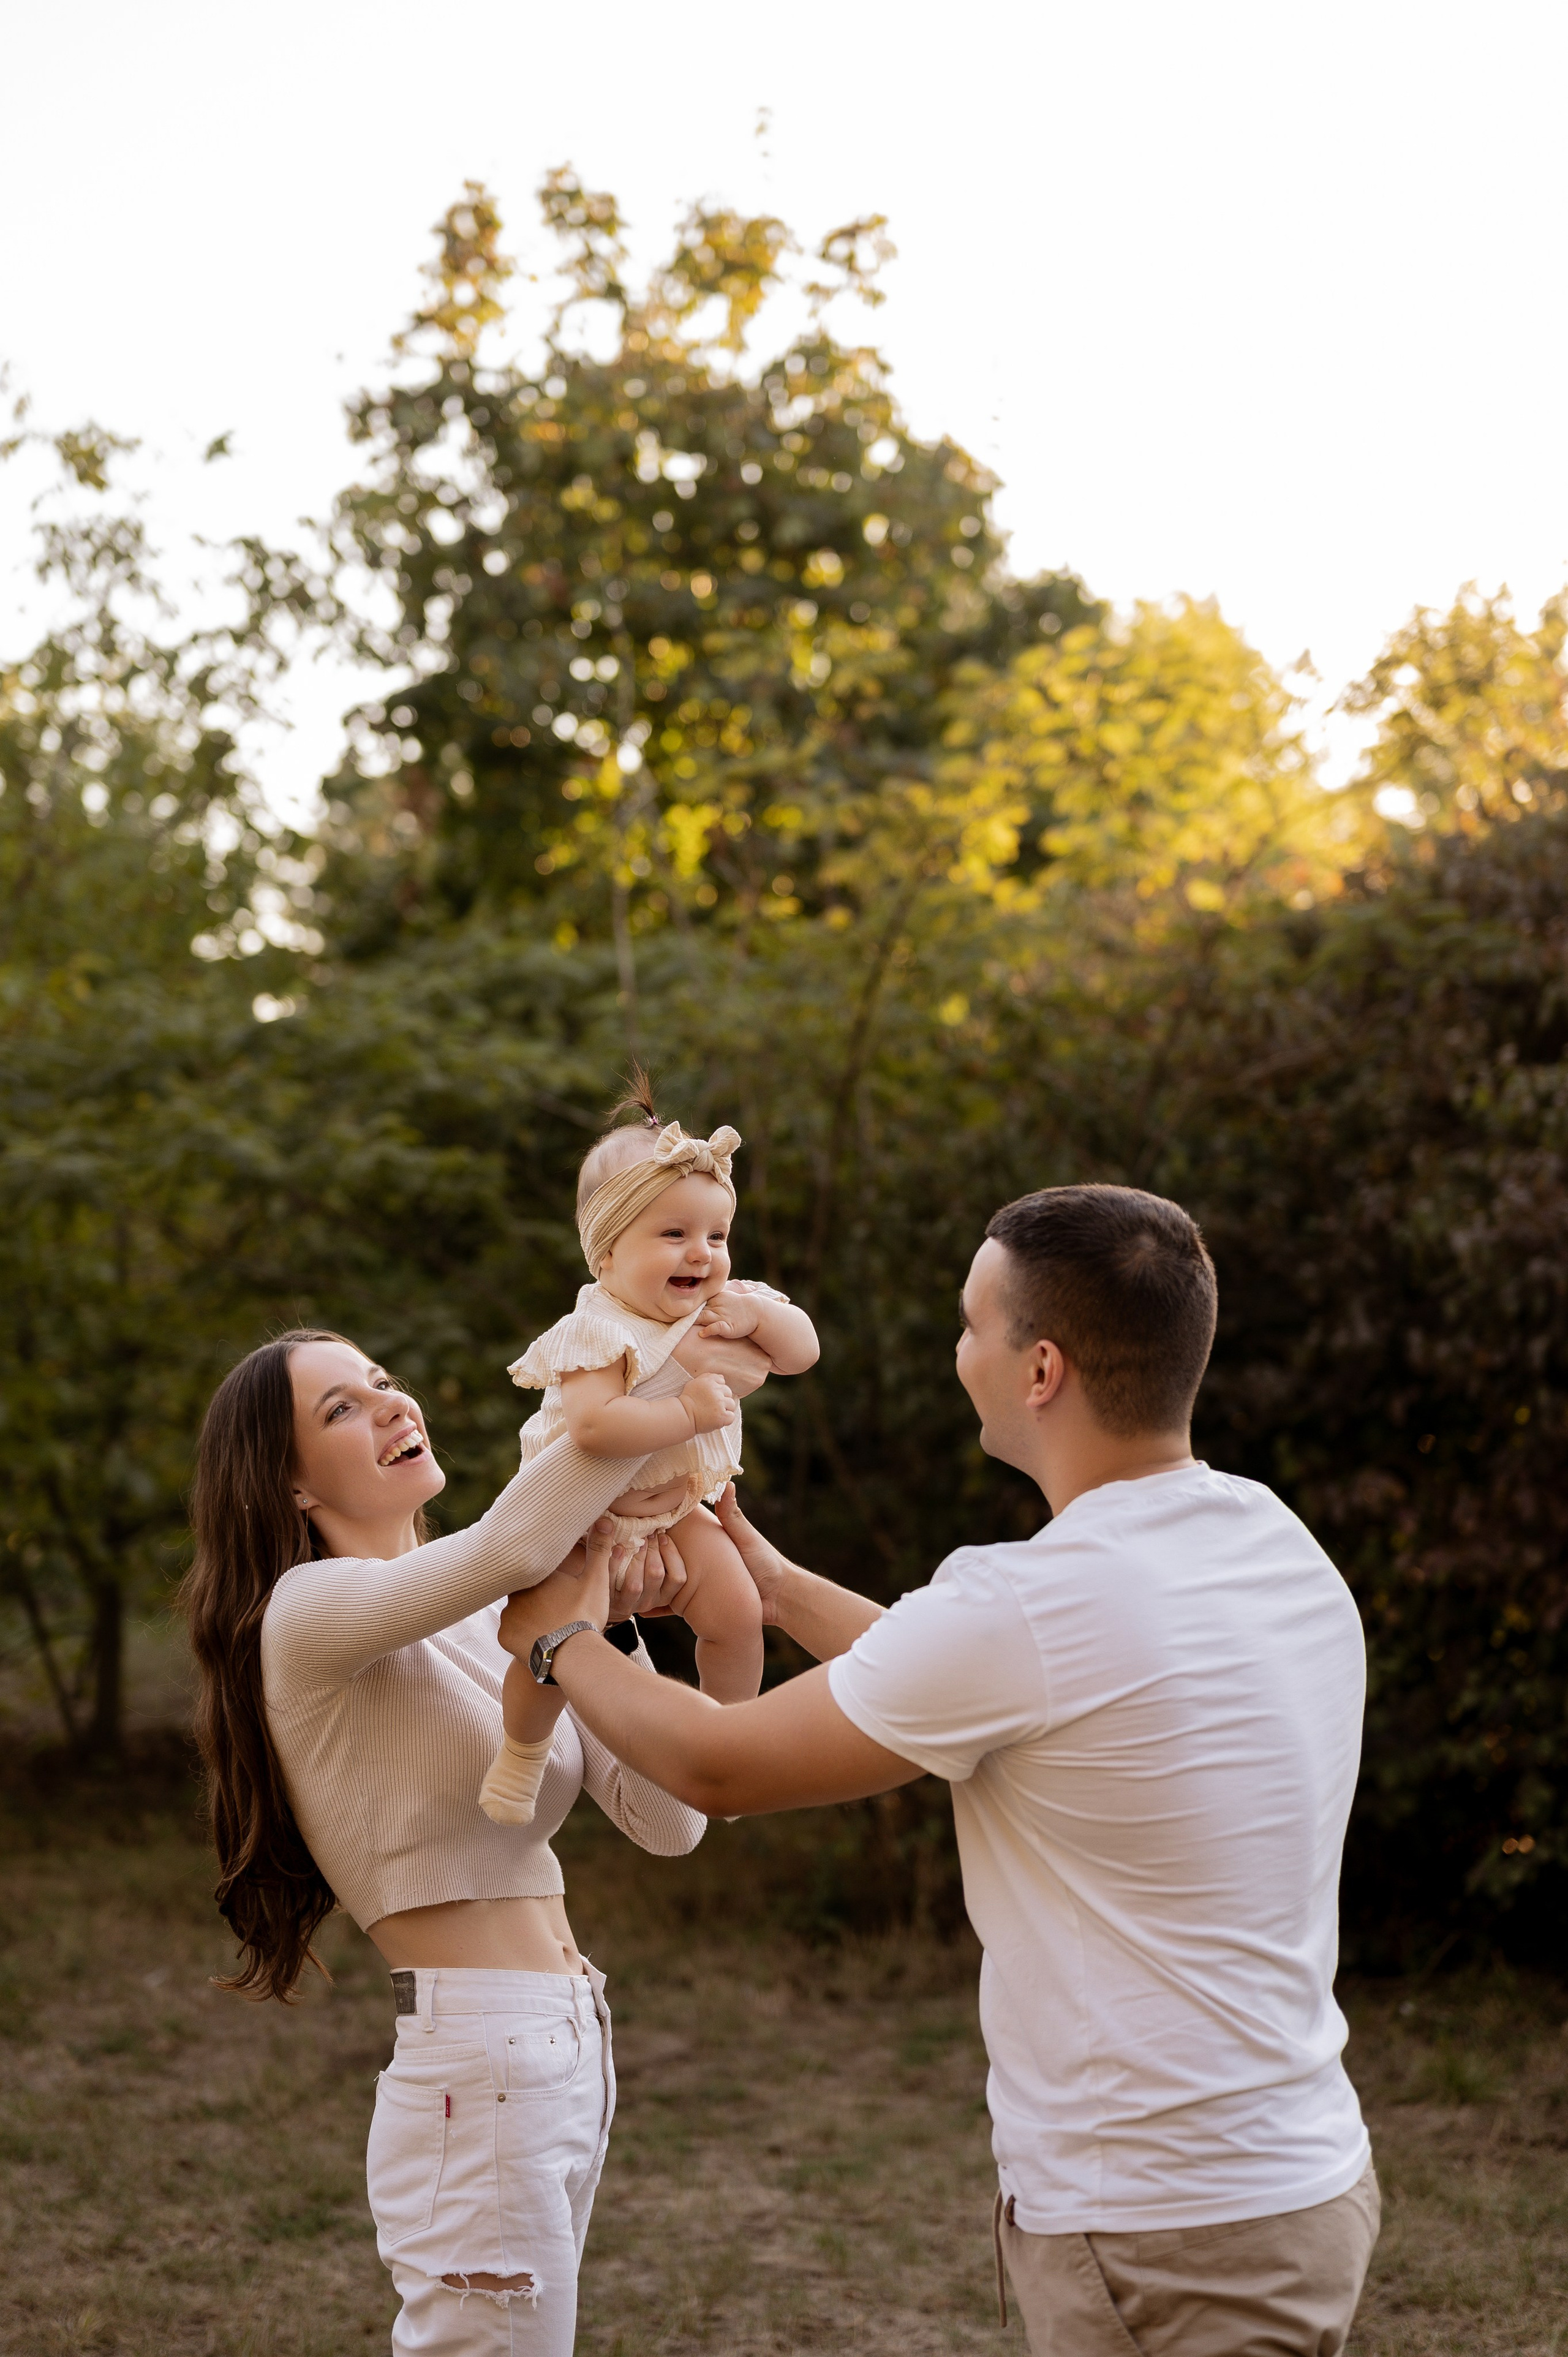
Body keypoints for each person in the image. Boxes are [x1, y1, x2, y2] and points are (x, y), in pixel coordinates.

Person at [504, 1184, 1381, 2356]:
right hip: (1307, 2178)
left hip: (1160, 2225)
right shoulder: (1269, 1538)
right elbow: (1011, 1688)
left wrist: (559, 1636)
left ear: (1042, 1369)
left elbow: (715, 1763)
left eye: (973, 1324)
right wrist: (767, 1584)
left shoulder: (1030, 1603)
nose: (955, 1348)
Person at [181, 1314, 760, 2356]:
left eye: (383, 1380)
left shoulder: (495, 1611)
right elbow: (512, 1538)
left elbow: (673, 1819)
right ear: (292, 1488)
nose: (392, 1403)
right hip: (482, 2059)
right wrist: (665, 1364)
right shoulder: (304, 1613)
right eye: (341, 1408)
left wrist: (653, 1623)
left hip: (568, 2041)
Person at [479, 1085, 818, 1827]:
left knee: (734, 1608)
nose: (702, 1253)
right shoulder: (597, 1327)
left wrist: (765, 1313)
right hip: (579, 1522)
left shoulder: (723, 1305)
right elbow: (596, 1428)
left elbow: (801, 1354)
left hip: (672, 1508)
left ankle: (732, 1740)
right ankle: (520, 1753)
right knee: (553, 1649)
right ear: (606, 1252)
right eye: (674, 1234)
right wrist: (684, 1408)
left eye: (718, 1236)